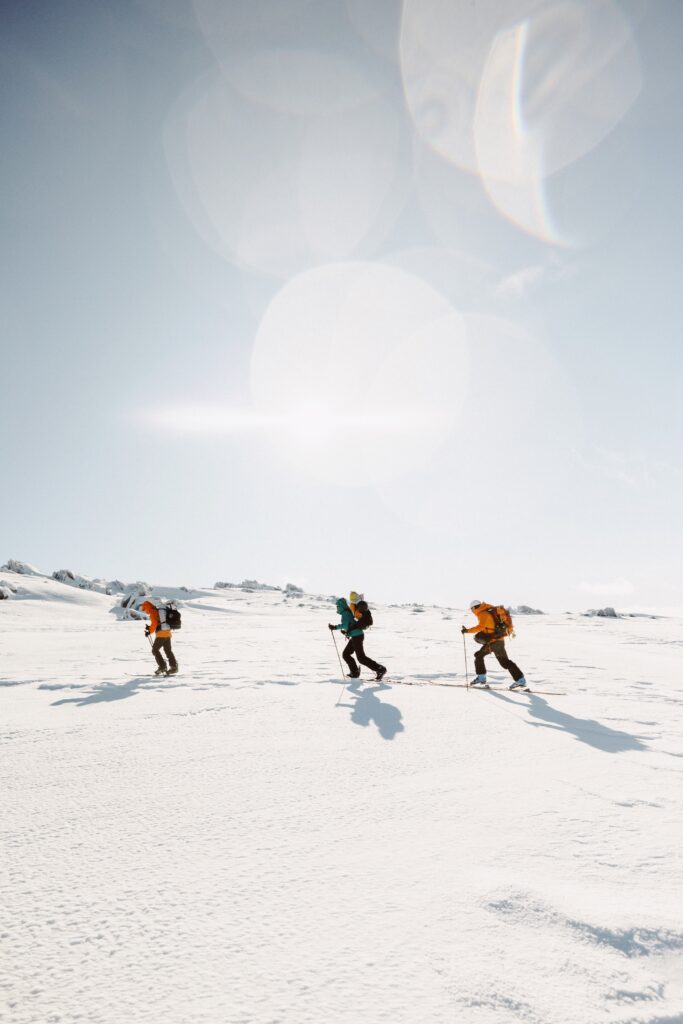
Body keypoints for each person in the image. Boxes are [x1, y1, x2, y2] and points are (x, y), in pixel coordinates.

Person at [461, 599, 527, 690]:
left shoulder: (483, 614)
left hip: (495, 642)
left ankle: (520, 680)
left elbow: (480, 627)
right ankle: (481, 678)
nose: (472, 611)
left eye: (471, 609)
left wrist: (467, 631)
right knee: (479, 655)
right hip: (495, 641)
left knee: (504, 662)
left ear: (474, 607)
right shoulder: (486, 611)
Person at [329, 597, 386, 681]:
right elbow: (351, 624)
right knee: (346, 654)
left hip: (357, 637)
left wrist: (334, 627)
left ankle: (380, 669)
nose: (337, 608)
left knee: (361, 658)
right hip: (356, 636)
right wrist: (347, 632)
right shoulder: (347, 612)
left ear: (341, 606)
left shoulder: (345, 613)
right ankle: (355, 673)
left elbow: (345, 625)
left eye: (338, 606)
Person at [140, 599, 178, 676]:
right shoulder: (158, 611)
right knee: (168, 651)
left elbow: (154, 624)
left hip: (161, 634)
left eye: (144, 609)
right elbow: (158, 623)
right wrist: (149, 628)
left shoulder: (153, 612)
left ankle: (162, 666)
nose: (144, 611)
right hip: (167, 633)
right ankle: (174, 667)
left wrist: (149, 631)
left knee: (155, 650)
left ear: (147, 607)